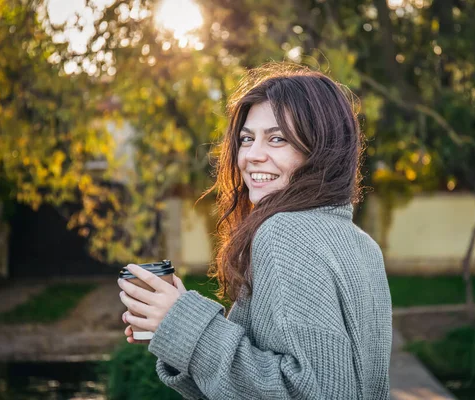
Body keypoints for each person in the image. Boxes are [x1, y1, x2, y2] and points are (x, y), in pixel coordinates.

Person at [118, 63, 393, 399]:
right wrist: (173, 327)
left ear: (320, 150)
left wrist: (182, 323)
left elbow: (314, 392)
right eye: (247, 139)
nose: (251, 156)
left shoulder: (285, 232)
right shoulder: (360, 243)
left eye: (277, 139)